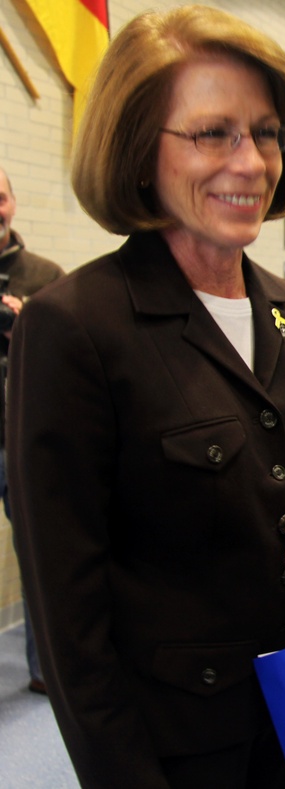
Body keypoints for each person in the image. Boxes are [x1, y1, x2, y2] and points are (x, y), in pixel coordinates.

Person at [8, 7, 285, 788]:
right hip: (177, 742)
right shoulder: (74, 325)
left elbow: (277, 484)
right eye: (213, 133)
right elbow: (69, 621)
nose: (252, 161)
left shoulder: (284, 307)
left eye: (268, 132)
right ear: (140, 150)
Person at [0, 165, 64, 696]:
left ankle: (47, 669)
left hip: (18, 441)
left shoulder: (45, 276)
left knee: (39, 555)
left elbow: (69, 363)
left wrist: (28, 328)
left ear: (13, 203)